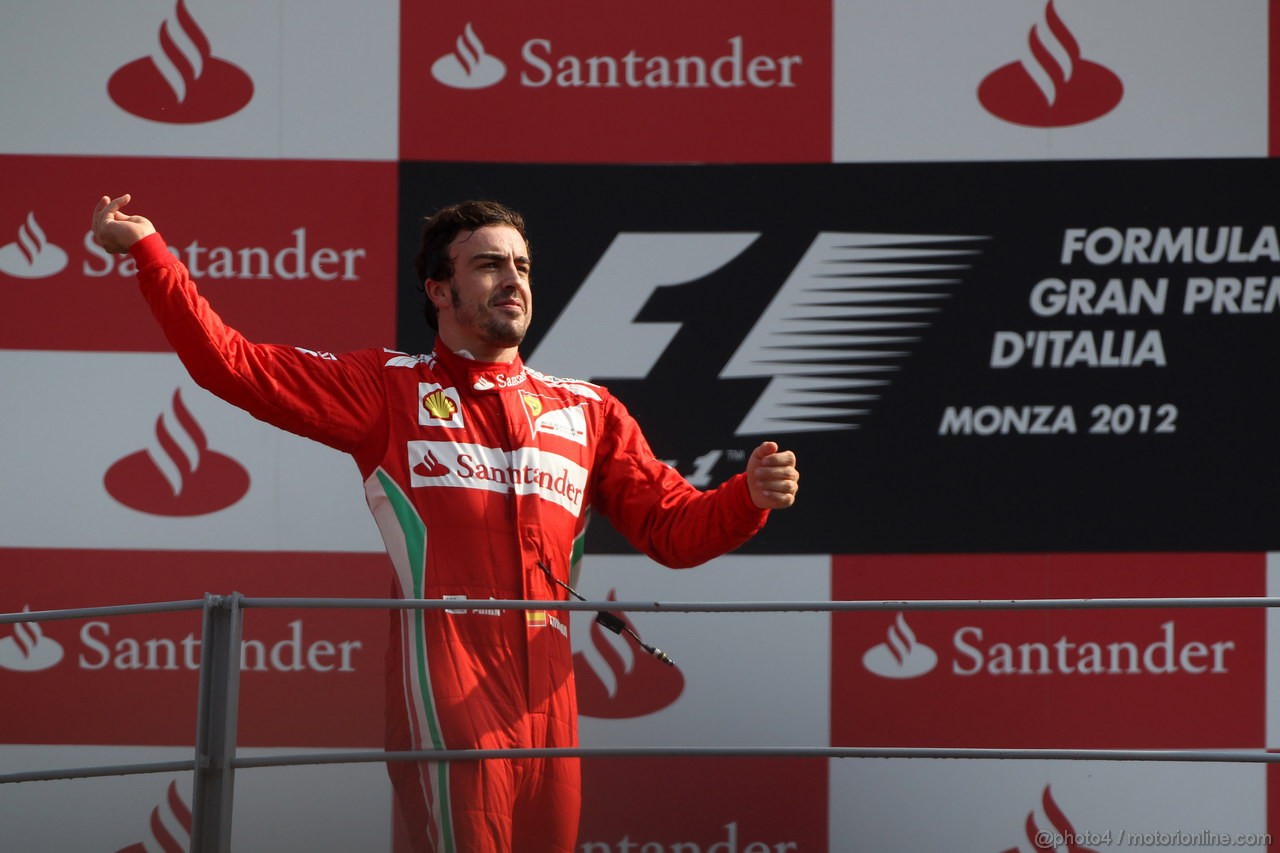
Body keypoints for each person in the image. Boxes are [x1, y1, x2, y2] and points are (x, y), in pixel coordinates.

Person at [91, 194, 800, 852]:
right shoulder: (388, 388)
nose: (513, 280)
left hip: (551, 694)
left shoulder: (588, 410)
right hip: (447, 679)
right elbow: (233, 365)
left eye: (521, 265)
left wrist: (746, 499)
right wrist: (152, 253)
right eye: (489, 265)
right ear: (438, 290)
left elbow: (673, 531)